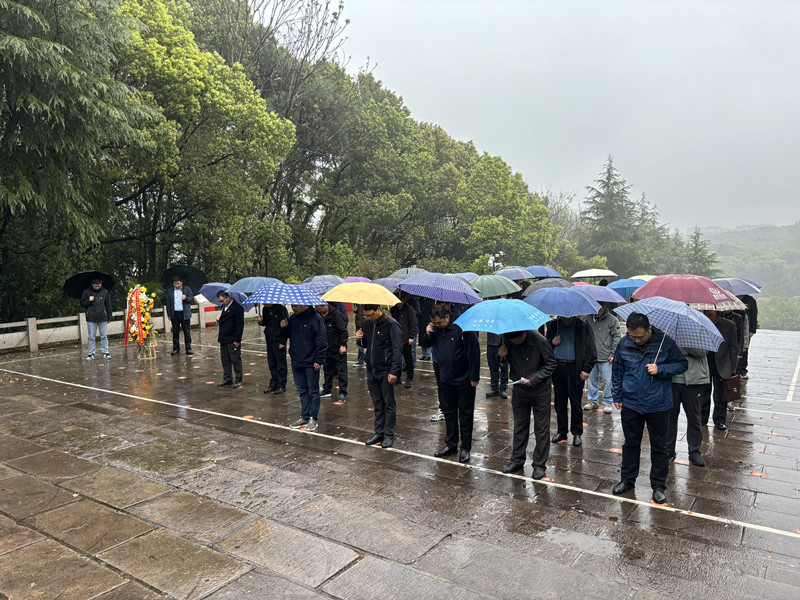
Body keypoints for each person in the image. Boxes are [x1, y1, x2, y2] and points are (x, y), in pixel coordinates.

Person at [611, 313, 687, 505]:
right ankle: (627, 480)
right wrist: (617, 395)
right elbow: (618, 370)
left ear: (649, 329)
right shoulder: (623, 343)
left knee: (660, 447)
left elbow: (682, 364)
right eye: (632, 336)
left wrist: (661, 369)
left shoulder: (665, 342)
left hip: (658, 403)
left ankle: (658, 486)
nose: (636, 340)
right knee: (630, 444)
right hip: (631, 402)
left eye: (641, 337)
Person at [421, 304, 480, 463]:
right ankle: (451, 444)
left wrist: (474, 376)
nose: (437, 326)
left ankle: (466, 448)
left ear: (447, 316)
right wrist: (428, 333)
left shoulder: (463, 326)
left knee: (465, 414)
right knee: (449, 412)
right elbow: (426, 344)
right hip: (445, 378)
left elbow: (474, 351)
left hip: (464, 379)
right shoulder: (436, 328)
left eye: (439, 323)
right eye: (435, 323)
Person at [497, 329, 557, 479]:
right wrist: (502, 357)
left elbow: (551, 364)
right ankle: (517, 460)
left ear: (524, 333)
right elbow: (502, 365)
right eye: (513, 342)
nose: (515, 344)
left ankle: (539, 465)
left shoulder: (540, 340)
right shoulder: (507, 339)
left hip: (540, 390)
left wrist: (535, 379)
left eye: (517, 341)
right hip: (519, 390)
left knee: (541, 429)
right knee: (519, 426)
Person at [355, 304, 402, 448]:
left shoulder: (391, 325)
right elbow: (367, 345)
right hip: (372, 370)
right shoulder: (367, 325)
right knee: (377, 404)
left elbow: (397, 349)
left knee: (388, 404)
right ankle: (379, 432)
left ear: (378, 310)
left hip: (385, 370)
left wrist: (394, 371)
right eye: (367, 316)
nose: (369, 318)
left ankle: (388, 434)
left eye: (371, 315)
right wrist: (359, 339)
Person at [546, 316, 597, 447]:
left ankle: (577, 433)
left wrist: (587, 369)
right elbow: (545, 346)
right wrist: (552, 342)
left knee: (575, 402)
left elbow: (591, 349)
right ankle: (561, 431)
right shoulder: (553, 325)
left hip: (575, 368)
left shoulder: (583, 325)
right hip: (558, 368)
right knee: (559, 402)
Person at [281, 304, 327, 431]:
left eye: (296, 306)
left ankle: (313, 417)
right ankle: (305, 415)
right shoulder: (293, 318)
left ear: (305, 305)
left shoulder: (315, 318)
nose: (294, 308)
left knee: (312, 390)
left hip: (310, 361)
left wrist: (318, 360)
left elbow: (321, 341)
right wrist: (284, 327)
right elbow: (288, 335)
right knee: (302, 390)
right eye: (292, 306)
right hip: (297, 360)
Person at [668, 347, 708, 467]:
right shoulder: (669, 330)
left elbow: (702, 351)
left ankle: (694, 452)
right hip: (671, 379)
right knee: (669, 418)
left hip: (693, 380)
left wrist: (681, 347)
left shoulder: (698, 329)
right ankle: (669, 451)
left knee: (694, 418)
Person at [701, 310, 738, 431]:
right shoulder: (701, 323)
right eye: (706, 314)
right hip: (705, 363)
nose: (707, 316)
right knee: (704, 393)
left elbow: (733, 347)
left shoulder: (729, 325)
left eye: (710, 314)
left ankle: (719, 420)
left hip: (722, 364)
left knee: (720, 395)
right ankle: (702, 418)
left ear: (718, 314)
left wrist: (733, 367)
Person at [583, 303, 620, 414]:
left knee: (608, 381)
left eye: (599, 309)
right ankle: (592, 401)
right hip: (591, 356)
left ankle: (608, 402)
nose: (596, 311)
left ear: (604, 307)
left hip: (606, 356)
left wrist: (613, 353)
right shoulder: (587, 319)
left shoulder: (612, 320)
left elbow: (617, 337)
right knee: (591, 380)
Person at [317, 303, 348, 403]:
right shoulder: (319, 315)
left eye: (318, 308)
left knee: (341, 371)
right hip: (326, 347)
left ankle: (343, 392)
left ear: (324, 306)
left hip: (338, 347)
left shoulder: (336, 314)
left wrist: (343, 344)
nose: (317, 310)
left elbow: (343, 330)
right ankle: (327, 389)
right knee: (327, 369)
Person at [216, 291, 244, 389]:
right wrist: (219, 319)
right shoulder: (223, 307)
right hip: (223, 337)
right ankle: (227, 378)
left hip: (232, 338)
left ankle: (238, 379)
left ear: (228, 298)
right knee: (225, 359)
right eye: (220, 301)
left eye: (222, 301)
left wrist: (237, 340)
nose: (221, 303)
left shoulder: (238, 308)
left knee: (235, 359)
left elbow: (240, 325)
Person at [258, 303, 288, 394]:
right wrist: (261, 321)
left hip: (278, 340)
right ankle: (273, 383)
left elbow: (285, 326)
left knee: (281, 363)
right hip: (269, 338)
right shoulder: (265, 309)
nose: (264, 303)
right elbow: (266, 323)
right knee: (272, 363)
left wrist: (283, 342)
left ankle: (282, 385)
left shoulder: (281, 309)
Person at [390, 292, 418, 388]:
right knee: (396, 359)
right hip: (396, 338)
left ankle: (409, 378)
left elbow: (413, 324)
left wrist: (411, 336)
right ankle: (398, 377)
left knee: (408, 359)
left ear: (403, 300)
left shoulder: (410, 310)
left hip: (406, 338)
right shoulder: (393, 309)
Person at [81, 278, 113, 360]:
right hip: (91, 318)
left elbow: (108, 305)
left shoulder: (105, 292)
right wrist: (89, 300)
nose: (97, 287)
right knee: (91, 337)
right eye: (96, 285)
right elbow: (82, 303)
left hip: (103, 317)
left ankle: (106, 352)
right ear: (92, 284)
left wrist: (109, 317)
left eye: (99, 285)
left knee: (104, 336)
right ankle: (91, 354)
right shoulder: (86, 292)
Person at [165, 276, 194, 355]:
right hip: (175, 313)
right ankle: (176, 349)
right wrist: (169, 314)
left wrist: (186, 298)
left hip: (184, 313)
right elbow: (168, 303)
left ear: (181, 282)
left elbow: (191, 298)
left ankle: (188, 348)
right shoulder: (170, 290)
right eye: (175, 284)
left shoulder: (186, 289)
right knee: (175, 332)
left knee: (187, 332)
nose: (176, 285)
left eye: (178, 283)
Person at [737, 294, 758, 378]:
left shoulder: (750, 300)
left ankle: (743, 370)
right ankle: (735, 369)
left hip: (746, 327)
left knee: (744, 349)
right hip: (735, 327)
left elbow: (754, 315)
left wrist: (752, 330)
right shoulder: (732, 297)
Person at [485, 331, 508, 399]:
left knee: (504, 368)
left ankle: (503, 389)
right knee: (493, 368)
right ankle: (494, 388)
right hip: (490, 345)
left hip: (502, 345)